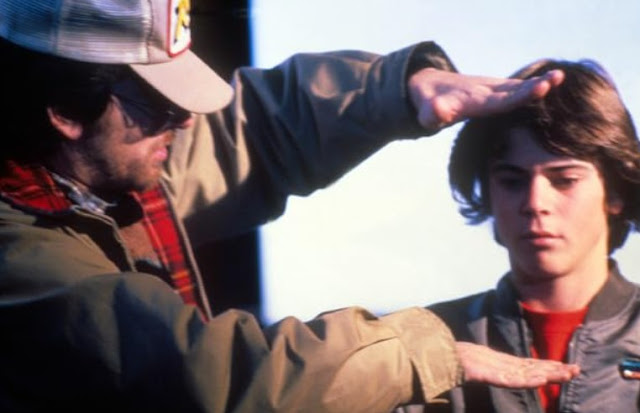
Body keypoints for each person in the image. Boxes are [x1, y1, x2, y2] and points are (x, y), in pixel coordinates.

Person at [0, 0, 578, 411]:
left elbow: (250, 136)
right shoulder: (20, 253)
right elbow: (208, 376)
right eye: (158, 104)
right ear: (66, 111)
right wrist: (415, 352)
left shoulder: (98, 161)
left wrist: (399, 91)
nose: (185, 121)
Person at [399, 58, 640, 413]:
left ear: (616, 191)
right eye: (512, 181)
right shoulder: (425, 345)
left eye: (565, 180)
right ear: (488, 192)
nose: (535, 203)